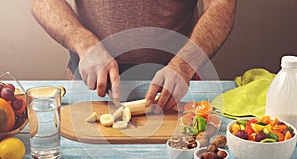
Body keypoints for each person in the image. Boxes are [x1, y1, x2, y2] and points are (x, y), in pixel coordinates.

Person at [30, 0, 236, 113]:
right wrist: (84, 44)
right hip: (91, 78)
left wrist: (184, 65)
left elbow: (222, 4)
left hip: (178, 79)